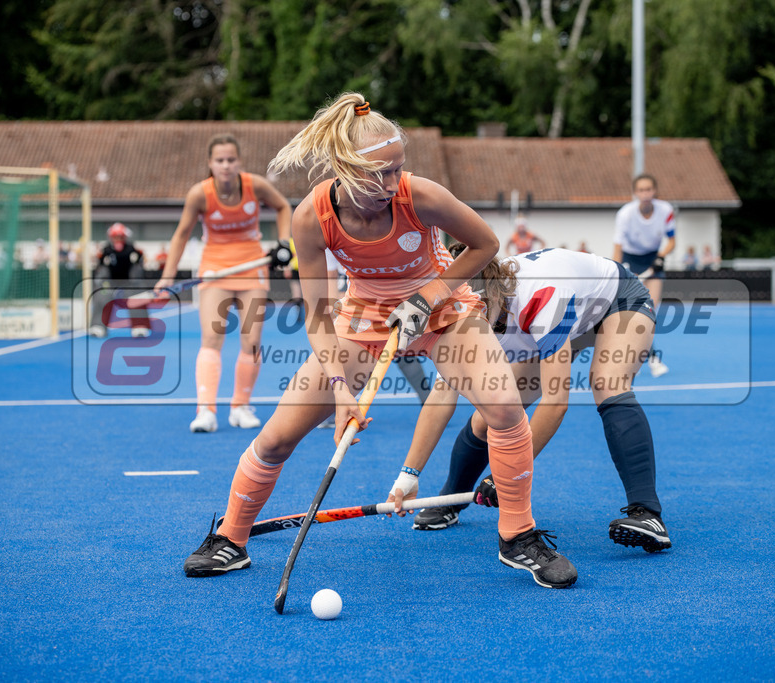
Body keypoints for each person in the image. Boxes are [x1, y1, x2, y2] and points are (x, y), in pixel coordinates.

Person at [182, 93, 577, 590]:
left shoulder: (420, 195)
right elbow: (319, 315)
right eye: (377, 175)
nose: (391, 184)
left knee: (503, 408)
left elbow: (485, 245)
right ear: (343, 170)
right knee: (278, 435)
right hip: (361, 317)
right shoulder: (312, 218)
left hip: (444, 312)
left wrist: (429, 296)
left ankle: (517, 536)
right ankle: (231, 539)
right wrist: (341, 390)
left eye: (397, 170)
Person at [395, 245, 671, 553]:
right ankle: (453, 496)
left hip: (617, 301)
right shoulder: (462, 314)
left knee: (608, 382)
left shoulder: (543, 298)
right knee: (491, 414)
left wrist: (506, 476)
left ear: (489, 299)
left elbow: (555, 402)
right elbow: (441, 396)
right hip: (560, 313)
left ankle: (648, 513)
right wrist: (408, 474)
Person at [154, 134, 293, 433]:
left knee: (252, 342)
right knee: (212, 339)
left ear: (238, 161)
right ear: (210, 163)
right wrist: (168, 274)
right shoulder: (200, 194)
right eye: (220, 160)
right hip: (215, 269)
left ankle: (241, 406)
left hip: (252, 267)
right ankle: (206, 410)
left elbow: (283, 207)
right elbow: (181, 235)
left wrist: (285, 243)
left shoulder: (254, 185)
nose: (226, 165)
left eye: (231, 160)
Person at [612, 174, 676, 378]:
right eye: (641, 190)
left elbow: (672, 241)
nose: (645, 194)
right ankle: (651, 359)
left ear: (654, 191)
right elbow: (618, 247)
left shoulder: (665, 210)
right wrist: (618, 270)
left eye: (649, 189)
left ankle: (642, 358)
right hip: (631, 260)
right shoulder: (625, 214)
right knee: (633, 315)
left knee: (649, 314)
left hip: (653, 261)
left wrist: (661, 257)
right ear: (635, 193)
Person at [88, 223, 150, 338]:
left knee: (137, 297)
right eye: (115, 237)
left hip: (129, 282)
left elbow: (140, 263)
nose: (118, 239)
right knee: (102, 295)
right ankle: (98, 326)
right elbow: (100, 267)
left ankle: (139, 326)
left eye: (120, 237)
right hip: (110, 282)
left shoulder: (131, 249)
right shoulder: (106, 250)